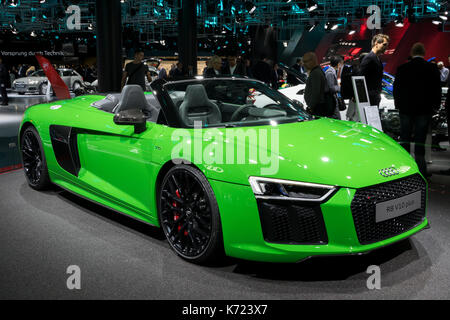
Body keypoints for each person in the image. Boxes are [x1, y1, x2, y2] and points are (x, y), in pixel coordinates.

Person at [393, 42, 441, 178]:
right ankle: (421, 170)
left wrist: (398, 104)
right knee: (420, 140)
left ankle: (404, 171)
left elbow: (396, 89)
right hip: (424, 110)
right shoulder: (432, 69)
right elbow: (436, 90)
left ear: (412, 53)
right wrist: (435, 106)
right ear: (424, 53)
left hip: (406, 109)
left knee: (405, 138)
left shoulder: (403, 68)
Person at [360, 34, 390, 106]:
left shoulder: (376, 58)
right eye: (384, 44)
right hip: (369, 98)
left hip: (373, 97)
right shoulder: (369, 58)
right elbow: (361, 77)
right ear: (376, 43)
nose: (386, 47)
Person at [303, 52, 333, 117]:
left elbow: (316, 92)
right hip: (318, 106)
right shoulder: (317, 71)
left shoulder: (315, 73)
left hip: (318, 107)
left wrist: (311, 106)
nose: (304, 64)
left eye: (306, 61)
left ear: (312, 61)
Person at [325, 55, 343, 119]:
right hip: (331, 100)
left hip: (332, 99)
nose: (341, 66)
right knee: (336, 118)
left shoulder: (331, 71)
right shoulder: (330, 73)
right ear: (338, 64)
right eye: (341, 64)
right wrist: (340, 87)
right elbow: (331, 88)